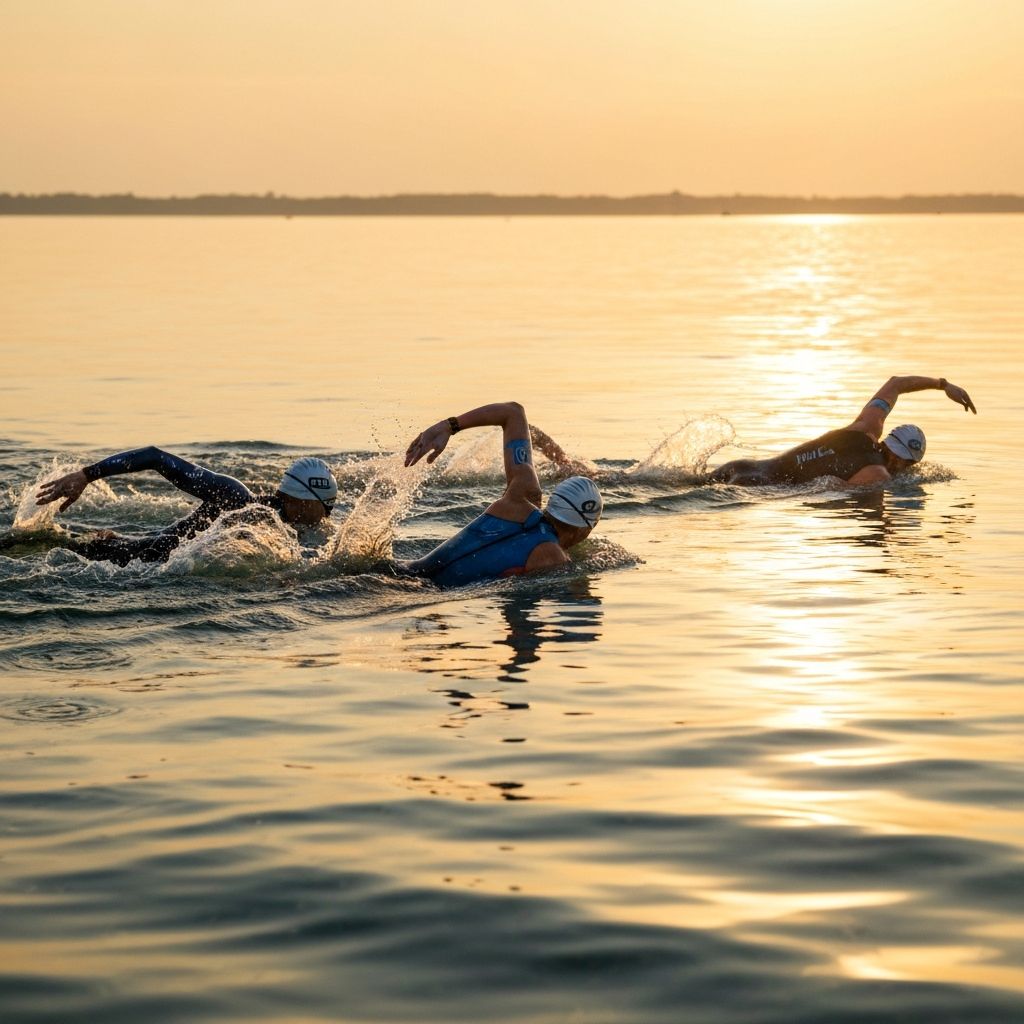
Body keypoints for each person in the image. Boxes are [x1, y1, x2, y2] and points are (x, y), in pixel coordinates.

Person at [402, 401, 602, 587]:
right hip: (421, 592)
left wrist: (448, 426)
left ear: (553, 502)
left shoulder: (522, 495)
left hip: (400, 572)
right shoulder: (554, 559)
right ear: (584, 530)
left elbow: (512, 411)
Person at [35, 446, 338, 565]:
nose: (327, 516)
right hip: (128, 559)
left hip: (149, 565)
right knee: (33, 545)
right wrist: (87, 475)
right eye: (326, 507)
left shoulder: (292, 531)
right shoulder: (236, 499)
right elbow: (155, 456)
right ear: (303, 500)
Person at [708, 375, 976, 486]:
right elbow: (827, 493)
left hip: (741, 469)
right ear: (905, 461)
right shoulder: (877, 474)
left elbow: (896, 384)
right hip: (755, 488)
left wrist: (942, 384)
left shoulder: (867, 427)